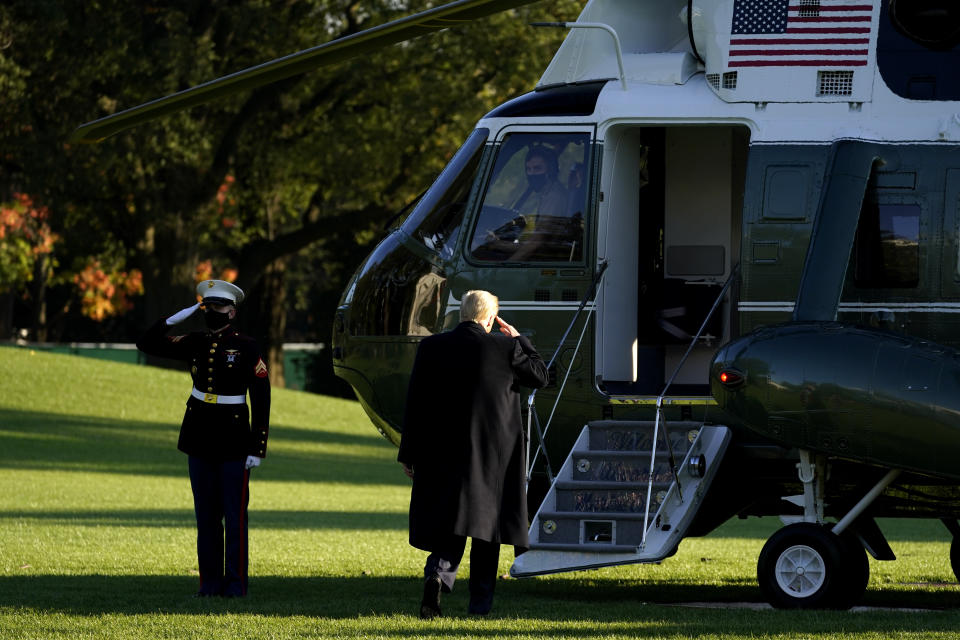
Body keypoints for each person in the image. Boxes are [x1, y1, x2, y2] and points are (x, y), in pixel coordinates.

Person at [397, 289, 549, 618]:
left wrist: (408, 453)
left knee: (450, 521)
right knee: (487, 529)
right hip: (494, 455)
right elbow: (540, 376)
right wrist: (520, 339)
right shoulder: (506, 347)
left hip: (441, 453)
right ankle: (479, 605)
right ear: (492, 318)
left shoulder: (432, 347)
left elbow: (416, 404)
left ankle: (437, 575)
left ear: (463, 312)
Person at [136, 279, 270, 598]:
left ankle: (236, 585)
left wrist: (258, 446)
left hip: (235, 440)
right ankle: (209, 584)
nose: (213, 312)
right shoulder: (194, 341)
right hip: (199, 437)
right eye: (208, 307)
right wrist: (176, 317)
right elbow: (146, 342)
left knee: (235, 519)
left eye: (219, 307)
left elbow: (261, 398)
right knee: (206, 517)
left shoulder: (247, 346)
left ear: (232, 312)